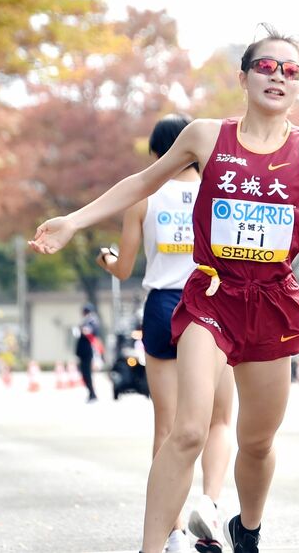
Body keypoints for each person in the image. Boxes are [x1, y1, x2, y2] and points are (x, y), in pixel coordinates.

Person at [29, 24, 299, 553]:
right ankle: (151, 548)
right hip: (210, 295)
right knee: (188, 430)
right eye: (266, 67)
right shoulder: (205, 136)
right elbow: (142, 182)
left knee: (257, 441)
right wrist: (74, 221)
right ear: (244, 77)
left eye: (291, 71)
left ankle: (246, 528)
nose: (278, 77)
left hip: (273, 301)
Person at [96, 114, 233, 553]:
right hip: (212, 301)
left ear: (158, 153)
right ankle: (210, 506)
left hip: (162, 307)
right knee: (219, 419)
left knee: (168, 426)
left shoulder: (147, 195)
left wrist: (107, 259)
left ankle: (172, 532)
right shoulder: (218, 192)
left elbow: (124, 268)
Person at [75, 302, 102, 402]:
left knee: (87, 373)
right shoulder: (86, 320)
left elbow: (89, 332)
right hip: (83, 351)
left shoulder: (92, 320)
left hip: (88, 350)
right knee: (84, 373)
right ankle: (91, 393)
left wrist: (83, 329)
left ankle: (92, 393)